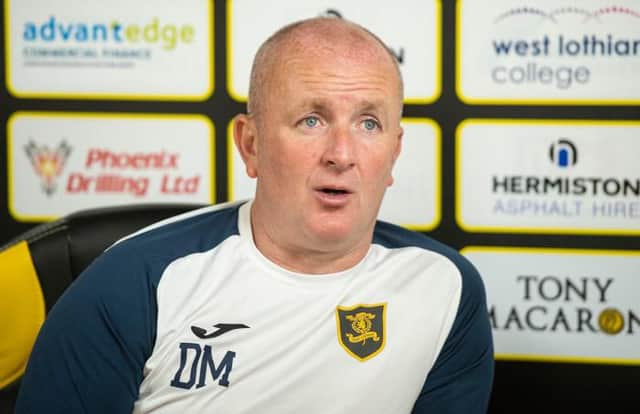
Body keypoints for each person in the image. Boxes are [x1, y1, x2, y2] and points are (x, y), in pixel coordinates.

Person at [15, 16, 494, 413]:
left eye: (369, 123)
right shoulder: (132, 282)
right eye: (312, 120)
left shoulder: (447, 288)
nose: (342, 153)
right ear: (251, 145)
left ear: (393, 152)